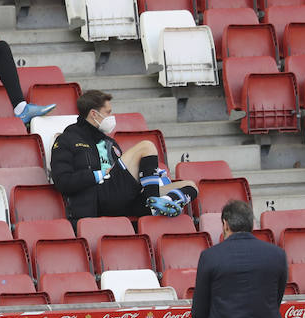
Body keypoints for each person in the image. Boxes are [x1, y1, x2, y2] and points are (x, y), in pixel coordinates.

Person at [50, 90, 199, 226]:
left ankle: (164, 201)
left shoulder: (110, 142)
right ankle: (153, 202)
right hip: (96, 199)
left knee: (190, 185)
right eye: (108, 112)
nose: (111, 117)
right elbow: (63, 181)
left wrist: (150, 175)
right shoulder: (66, 139)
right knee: (147, 146)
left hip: (124, 199)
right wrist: (98, 174)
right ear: (94, 114)